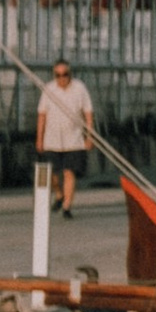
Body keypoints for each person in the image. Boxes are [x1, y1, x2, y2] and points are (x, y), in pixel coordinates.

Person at [36, 58, 96, 218]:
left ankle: (67, 206)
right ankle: (59, 194)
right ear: (54, 75)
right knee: (52, 174)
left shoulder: (80, 88)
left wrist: (89, 136)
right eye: (58, 75)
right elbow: (42, 115)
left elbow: (88, 113)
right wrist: (39, 138)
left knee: (69, 172)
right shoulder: (48, 89)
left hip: (74, 139)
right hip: (52, 140)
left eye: (65, 74)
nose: (62, 78)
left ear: (70, 74)